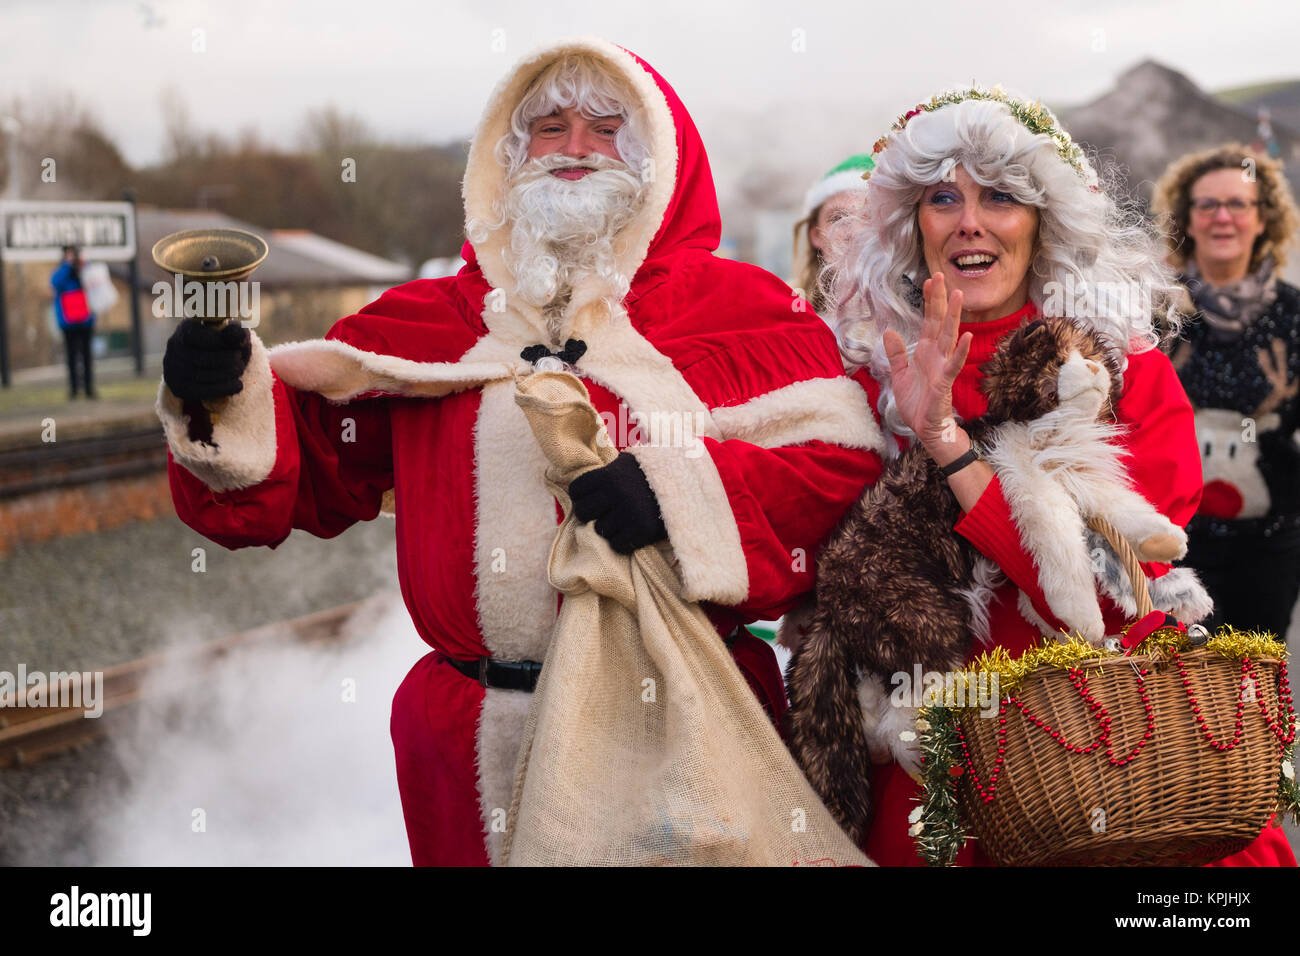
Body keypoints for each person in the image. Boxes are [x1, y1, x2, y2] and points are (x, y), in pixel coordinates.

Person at [154, 38, 884, 866]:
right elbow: (293, 479)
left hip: (677, 720)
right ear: (506, 155)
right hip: (466, 740)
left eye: (609, 127)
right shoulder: (429, 322)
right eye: (548, 126)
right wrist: (222, 395)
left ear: (661, 161)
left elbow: (840, 469)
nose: (575, 147)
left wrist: (678, 494)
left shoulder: (743, 310)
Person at [824, 89, 1296, 866]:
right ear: (913, 224)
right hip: (934, 756)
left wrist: (944, 439)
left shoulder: (1117, 368)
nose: (969, 220)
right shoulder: (866, 364)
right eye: (943, 197)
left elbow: (1102, 590)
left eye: (1000, 197)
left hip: (1097, 741)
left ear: (1045, 221)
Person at [1152, 144, 1300, 641]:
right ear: (1186, 220)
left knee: (1254, 700)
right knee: (1173, 704)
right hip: (1166, 548)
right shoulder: (1150, 309)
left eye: (1238, 204)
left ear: (1263, 219)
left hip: (1269, 548)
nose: (1223, 217)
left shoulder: (1294, 315)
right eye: (1207, 205)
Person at [790, 154, 873, 317]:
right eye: (838, 218)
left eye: (869, 216)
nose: (855, 232)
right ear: (816, 236)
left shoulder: (924, 310)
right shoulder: (792, 312)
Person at [50, 245, 97, 399]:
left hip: (85, 320)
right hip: (68, 322)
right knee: (71, 357)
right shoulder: (61, 271)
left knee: (87, 356)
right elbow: (55, 282)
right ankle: (74, 389)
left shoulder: (85, 268)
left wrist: (82, 264)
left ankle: (89, 388)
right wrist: (67, 266)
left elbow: (94, 280)